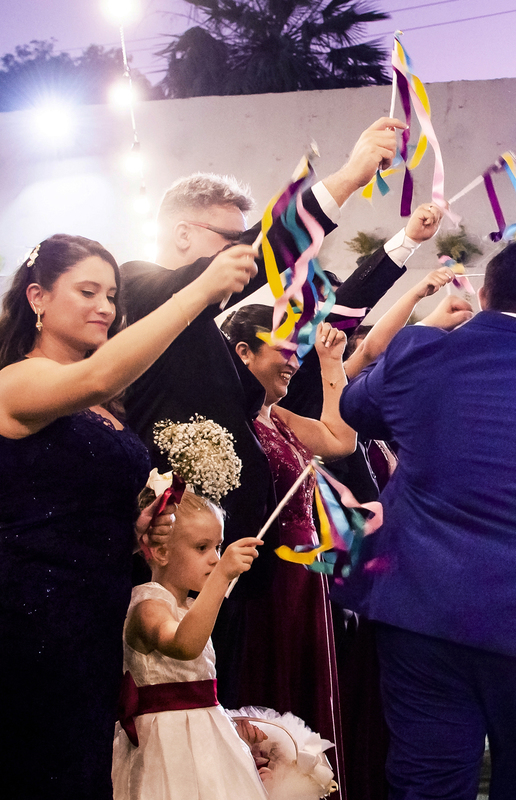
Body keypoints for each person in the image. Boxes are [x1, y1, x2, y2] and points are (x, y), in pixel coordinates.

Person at [119, 118, 435, 708]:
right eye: (228, 239)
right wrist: (345, 179)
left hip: (230, 567)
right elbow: (264, 251)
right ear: (184, 236)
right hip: (175, 564)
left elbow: (334, 327)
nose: (240, 258)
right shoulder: (141, 286)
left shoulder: (203, 332)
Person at [339, 240, 516, 800]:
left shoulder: (420, 351)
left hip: (420, 610)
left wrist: (430, 335)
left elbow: (355, 408)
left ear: (484, 294)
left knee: (426, 784)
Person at [0, 234, 252, 797]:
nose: (105, 308)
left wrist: (136, 524)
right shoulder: (17, 381)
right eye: (87, 291)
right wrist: (201, 290)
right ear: (38, 298)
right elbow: (98, 376)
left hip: (94, 612)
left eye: (111, 296)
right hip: (31, 612)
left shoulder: (98, 405)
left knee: (81, 764)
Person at [221, 269, 461, 790]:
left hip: (308, 581)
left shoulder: (281, 419)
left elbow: (340, 440)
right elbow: (371, 347)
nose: (292, 359)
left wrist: (331, 365)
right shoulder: (233, 422)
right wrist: (421, 297)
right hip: (268, 577)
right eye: (283, 350)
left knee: (311, 689)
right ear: (241, 354)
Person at [113, 490, 267, 799]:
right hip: (166, 750)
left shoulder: (189, 606)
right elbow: (184, 645)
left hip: (206, 744)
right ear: (160, 552)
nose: (215, 557)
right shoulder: (149, 604)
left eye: (218, 547)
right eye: (202, 548)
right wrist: (222, 576)